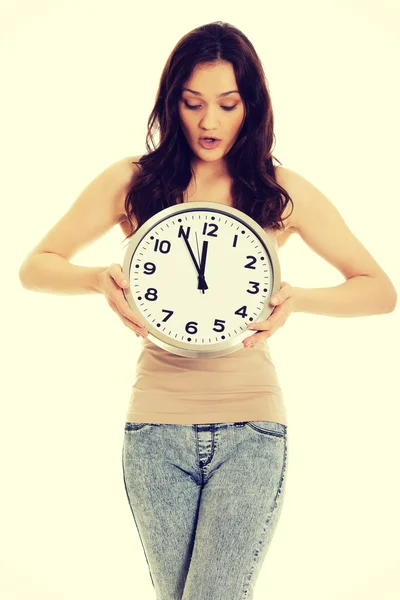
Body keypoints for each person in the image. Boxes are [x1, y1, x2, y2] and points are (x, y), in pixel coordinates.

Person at [18, 20, 397, 600]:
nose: (210, 122)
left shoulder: (277, 190)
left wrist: (298, 299)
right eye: (193, 103)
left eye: (227, 103)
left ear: (252, 106)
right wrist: (97, 280)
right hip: (152, 433)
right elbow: (36, 266)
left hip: (252, 429)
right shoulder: (135, 183)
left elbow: (378, 289)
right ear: (173, 103)